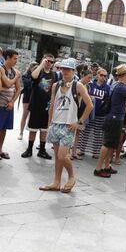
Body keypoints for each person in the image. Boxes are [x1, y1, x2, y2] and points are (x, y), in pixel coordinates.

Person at [39, 58, 93, 192]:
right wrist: (49, 123)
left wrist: (79, 122)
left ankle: (71, 176)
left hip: (69, 125)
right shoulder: (56, 85)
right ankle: (56, 182)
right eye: (63, 68)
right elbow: (52, 104)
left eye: (68, 69)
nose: (65, 71)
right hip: (56, 124)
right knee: (58, 157)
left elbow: (90, 105)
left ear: (74, 70)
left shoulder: (78, 86)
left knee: (62, 156)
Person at [94, 64, 126, 178]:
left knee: (112, 144)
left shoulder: (116, 85)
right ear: (125, 75)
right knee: (107, 144)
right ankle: (98, 168)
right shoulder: (122, 87)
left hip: (114, 117)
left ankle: (106, 166)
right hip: (114, 118)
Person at [21, 53, 57, 159]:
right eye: (47, 60)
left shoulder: (54, 74)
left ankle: (42, 150)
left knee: (44, 129)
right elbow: (34, 76)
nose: (49, 63)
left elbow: (53, 89)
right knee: (33, 128)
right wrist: (41, 65)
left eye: (51, 62)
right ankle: (29, 149)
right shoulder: (38, 70)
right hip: (36, 104)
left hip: (46, 106)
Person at [0, 49, 21, 159]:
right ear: (7, 57)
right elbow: (8, 84)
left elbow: (18, 89)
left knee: (4, 128)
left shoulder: (15, 71)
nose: (16, 61)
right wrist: (16, 77)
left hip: (9, 104)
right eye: (14, 58)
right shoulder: (0, 69)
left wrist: (12, 102)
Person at [78, 68, 111, 159]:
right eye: (101, 75)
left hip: (101, 113)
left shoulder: (107, 87)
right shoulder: (90, 85)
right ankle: (81, 149)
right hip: (89, 112)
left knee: (98, 133)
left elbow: (108, 100)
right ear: (97, 75)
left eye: (105, 76)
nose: (103, 77)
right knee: (85, 131)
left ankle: (96, 152)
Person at [18, 61, 38, 140]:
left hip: (36, 98)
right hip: (27, 97)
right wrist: (33, 76)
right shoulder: (26, 75)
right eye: (34, 68)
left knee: (33, 117)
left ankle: (32, 134)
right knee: (25, 115)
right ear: (30, 68)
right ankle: (21, 133)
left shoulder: (40, 75)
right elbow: (27, 85)